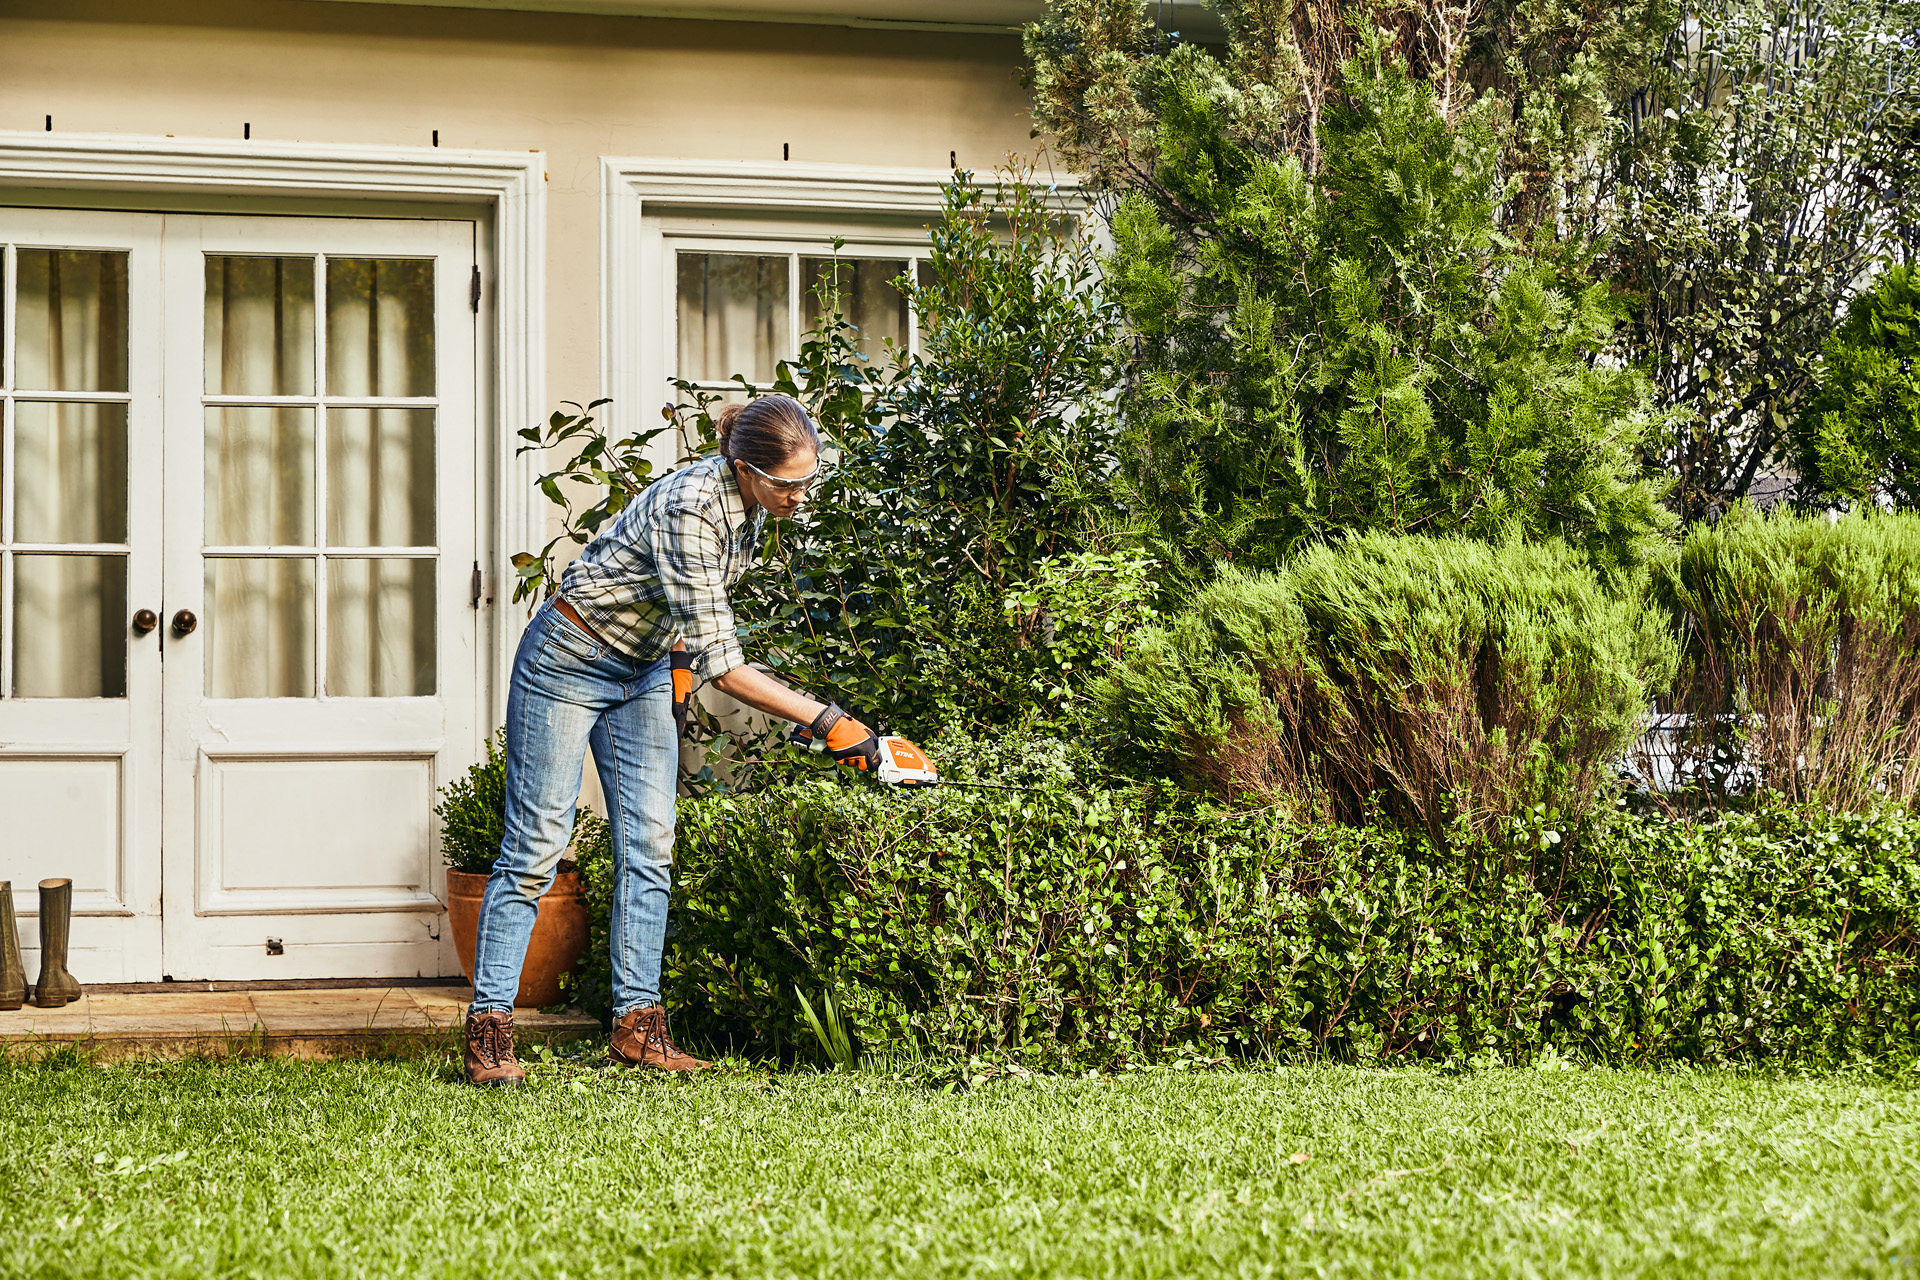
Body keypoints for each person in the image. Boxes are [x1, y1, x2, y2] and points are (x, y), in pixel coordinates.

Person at [462, 394, 920, 1087]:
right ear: (745, 467)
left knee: (650, 843)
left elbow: (686, 604)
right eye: (787, 484)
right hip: (569, 659)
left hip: (640, 669)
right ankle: (489, 1033)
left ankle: (638, 1029)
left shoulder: (752, 509)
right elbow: (728, 668)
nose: (800, 496)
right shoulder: (692, 508)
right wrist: (833, 723)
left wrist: (673, 675)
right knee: (536, 846)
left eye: (809, 480)